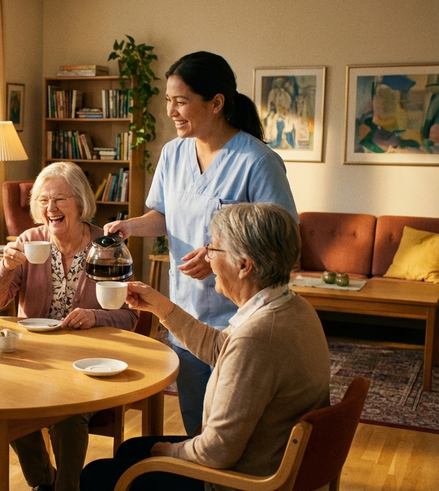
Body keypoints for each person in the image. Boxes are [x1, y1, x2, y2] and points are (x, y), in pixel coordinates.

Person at [105, 51, 298, 436]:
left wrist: (213, 255)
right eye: (168, 101)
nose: (171, 111)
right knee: (196, 424)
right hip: (186, 316)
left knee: (235, 429)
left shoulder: (257, 161)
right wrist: (130, 226)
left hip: (242, 321)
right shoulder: (173, 154)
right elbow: (165, 216)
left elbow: (283, 240)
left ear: (216, 103)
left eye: (181, 101)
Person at [82, 202, 330, 491]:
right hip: (268, 455)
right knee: (130, 450)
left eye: (213, 249)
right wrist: (160, 306)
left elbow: (216, 451)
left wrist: (167, 451)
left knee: (96, 475)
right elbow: (221, 349)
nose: (208, 258)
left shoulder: (257, 338)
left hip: (240, 481)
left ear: (244, 266)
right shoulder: (291, 307)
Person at [0, 161, 138, 491]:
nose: (50, 208)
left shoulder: (107, 246)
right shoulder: (28, 241)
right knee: (6, 404)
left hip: (88, 364)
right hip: (34, 361)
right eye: (43, 200)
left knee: (68, 415)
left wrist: (96, 316)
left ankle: (67, 487)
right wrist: (5, 267)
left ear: (80, 202)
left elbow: (130, 315)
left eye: (60, 199)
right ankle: (43, 480)